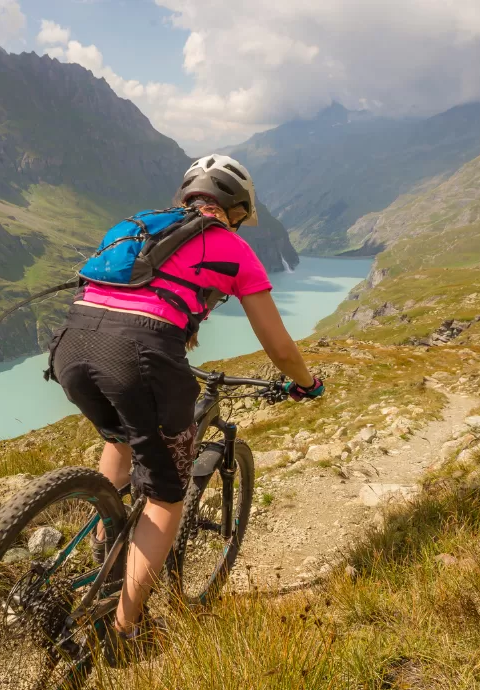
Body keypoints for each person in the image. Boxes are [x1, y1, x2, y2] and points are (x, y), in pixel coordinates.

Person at [47, 154, 324, 663]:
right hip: (141, 355)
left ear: (188, 197)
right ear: (236, 210)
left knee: (121, 438)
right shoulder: (233, 249)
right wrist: (307, 383)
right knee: (166, 499)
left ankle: (106, 551)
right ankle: (125, 631)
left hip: (71, 344)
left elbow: (130, 291)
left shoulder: (136, 227)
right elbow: (280, 348)